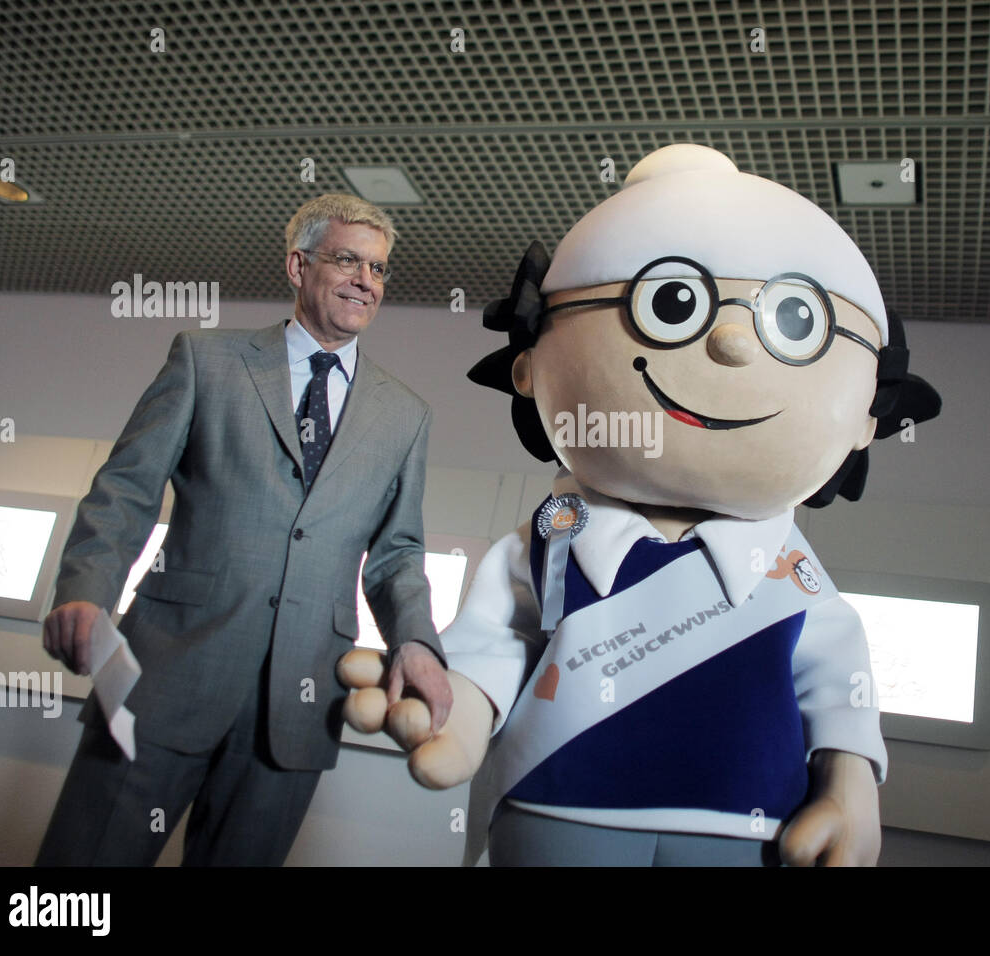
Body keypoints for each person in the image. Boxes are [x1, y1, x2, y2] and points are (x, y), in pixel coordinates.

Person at [342, 144, 941, 866]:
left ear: (867, 417)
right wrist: (459, 713)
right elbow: (501, 639)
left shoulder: (792, 575)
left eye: (793, 320)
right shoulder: (548, 541)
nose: (731, 342)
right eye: (672, 305)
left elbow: (834, 682)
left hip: (746, 823)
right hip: (555, 799)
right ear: (527, 369)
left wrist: (849, 783)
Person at [37, 193, 451, 866]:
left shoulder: (406, 415)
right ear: (298, 265)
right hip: (168, 676)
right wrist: (84, 587)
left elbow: (396, 553)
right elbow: (125, 490)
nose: (365, 282)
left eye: (378, 269)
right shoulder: (207, 361)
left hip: (300, 704)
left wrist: (417, 641)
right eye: (348, 260)